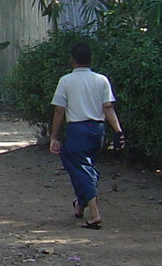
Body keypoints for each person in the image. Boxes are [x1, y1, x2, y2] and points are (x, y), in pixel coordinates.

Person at [48, 42, 124, 229]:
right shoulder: (101, 80)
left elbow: (59, 110)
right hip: (97, 130)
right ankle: (80, 205)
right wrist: (118, 131)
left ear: (72, 60)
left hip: (77, 130)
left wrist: (54, 136)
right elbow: (108, 107)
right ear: (91, 60)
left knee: (79, 168)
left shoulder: (66, 81)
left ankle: (95, 213)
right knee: (87, 167)